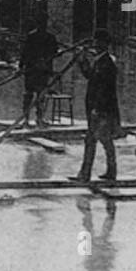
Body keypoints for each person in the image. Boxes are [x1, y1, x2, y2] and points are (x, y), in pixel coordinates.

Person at [69, 29, 119, 183]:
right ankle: (110, 171)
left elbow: (104, 90)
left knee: (94, 140)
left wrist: (97, 109)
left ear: (105, 44)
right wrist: (82, 60)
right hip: (98, 109)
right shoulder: (100, 61)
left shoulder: (107, 63)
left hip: (101, 110)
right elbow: (89, 75)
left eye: (99, 42)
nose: (96, 44)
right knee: (104, 140)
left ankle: (86, 174)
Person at [20, 11, 59, 126]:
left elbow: (54, 53)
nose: (42, 24)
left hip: (43, 71)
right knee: (29, 95)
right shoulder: (32, 36)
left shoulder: (50, 38)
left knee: (40, 96)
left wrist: (45, 60)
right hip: (32, 70)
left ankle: (39, 119)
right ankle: (26, 119)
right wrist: (21, 67)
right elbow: (25, 53)